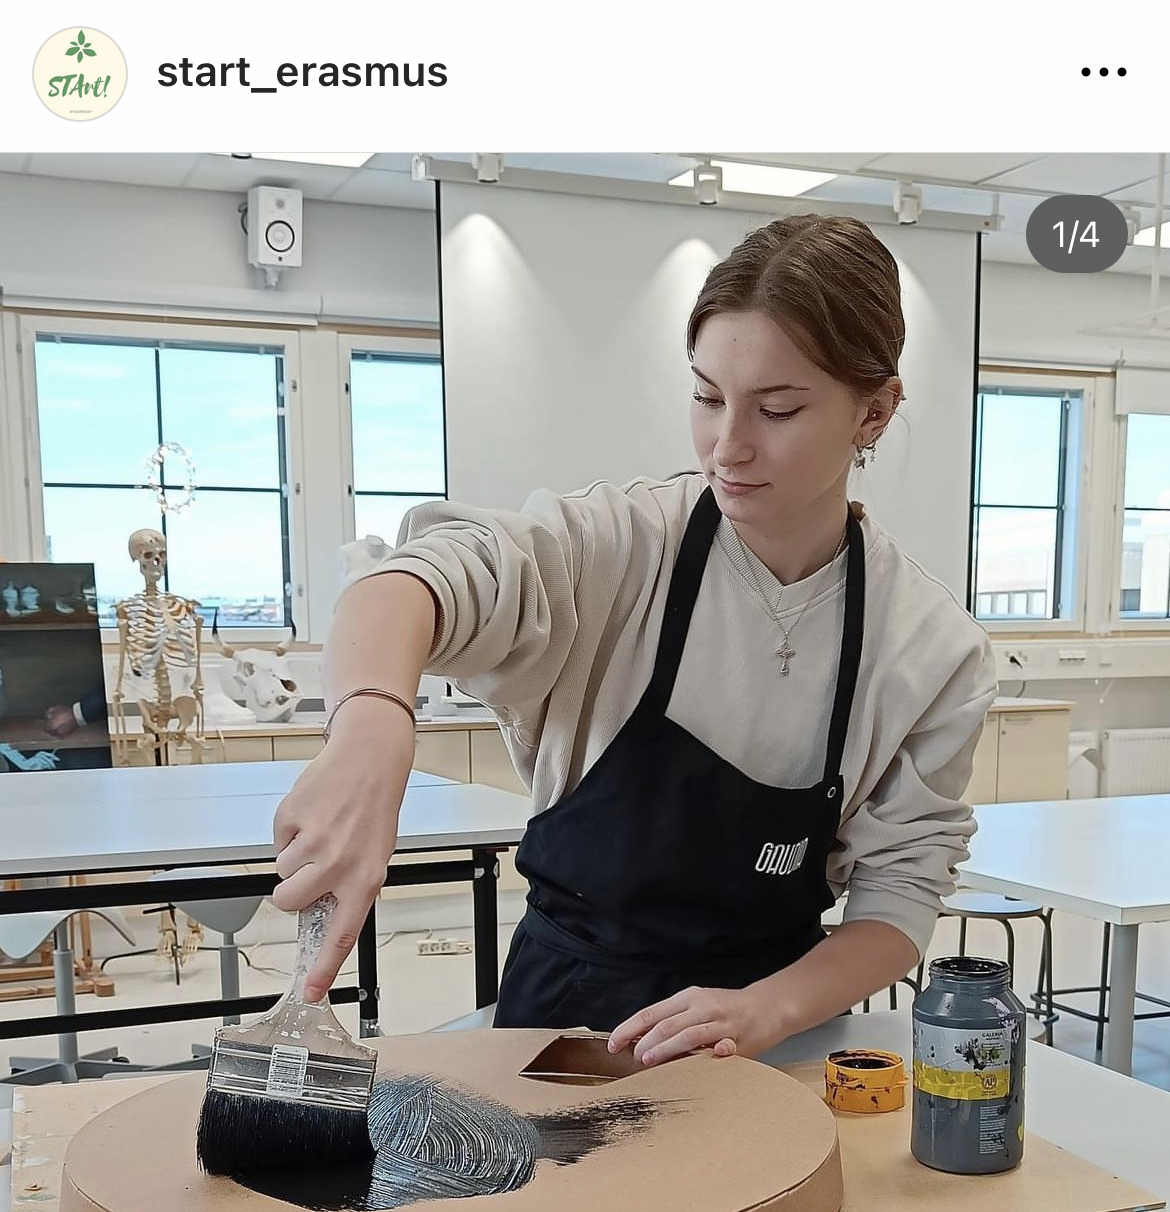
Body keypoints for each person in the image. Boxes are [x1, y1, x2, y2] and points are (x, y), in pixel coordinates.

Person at [271, 214, 997, 1068]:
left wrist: (767, 1009)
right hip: (562, 1027)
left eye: (778, 409)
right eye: (707, 397)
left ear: (874, 411)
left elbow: (899, 898)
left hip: (767, 1041)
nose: (728, 447)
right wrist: (370, 726)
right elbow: (415, 580)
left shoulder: (926, 647)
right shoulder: (622, 547)